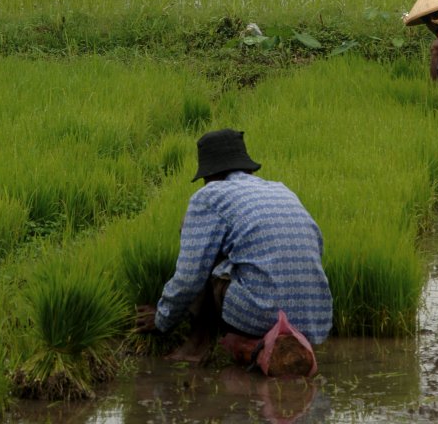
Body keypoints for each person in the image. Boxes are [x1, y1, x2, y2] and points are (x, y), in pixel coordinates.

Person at [137, 129, 332, 372]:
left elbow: (190, 276)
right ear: (247, 168)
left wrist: (162, 318)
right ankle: (274, 346)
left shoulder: (209, 196)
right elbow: (317, 245)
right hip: (314, 318)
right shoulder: (282, 190)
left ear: (209, 175)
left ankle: (197, 344)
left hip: (259, 315)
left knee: (203, 251)